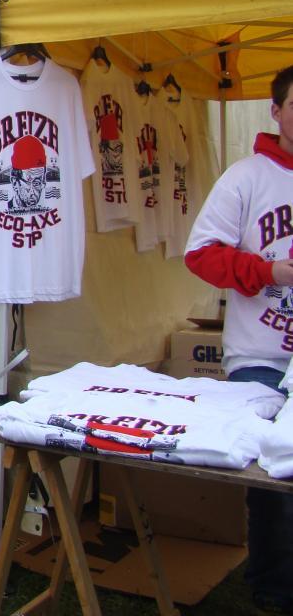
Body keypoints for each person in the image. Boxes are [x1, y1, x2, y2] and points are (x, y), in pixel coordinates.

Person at [185, 65, 293, 615]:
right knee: (272, 474)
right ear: (276, 111)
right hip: (261, 355)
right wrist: (273, 273)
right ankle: (272, 581)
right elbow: (200, 253)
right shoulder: (246, 177)